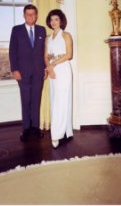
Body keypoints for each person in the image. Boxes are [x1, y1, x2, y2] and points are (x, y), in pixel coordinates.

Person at [9, 4, 47, 141]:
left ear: (36, 16)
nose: (31, 16)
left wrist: (46, 68)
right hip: (22, 73)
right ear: (24, 16)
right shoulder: (16, 30)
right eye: (28, 14)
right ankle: (25, 129)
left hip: (38, 72)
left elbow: (45, 52)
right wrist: (14, 69)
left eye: (33, 14)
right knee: (26, 100)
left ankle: (35, 128)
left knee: (36, 100)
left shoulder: (42, 30)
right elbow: (12, 51)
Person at [45, 9, 73, 148]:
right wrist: (49, 68)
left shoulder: (66, 35)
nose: (53, 22)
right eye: (51, 20)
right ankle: (67, 131)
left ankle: (56, 134)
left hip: (63, 70)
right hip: (52, 72)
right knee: (55, 100)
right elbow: (45, 56)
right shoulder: (47, 38)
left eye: (56, 19)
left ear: (61, 21)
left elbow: (69, 55)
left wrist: (53, 64)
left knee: (62, 101)